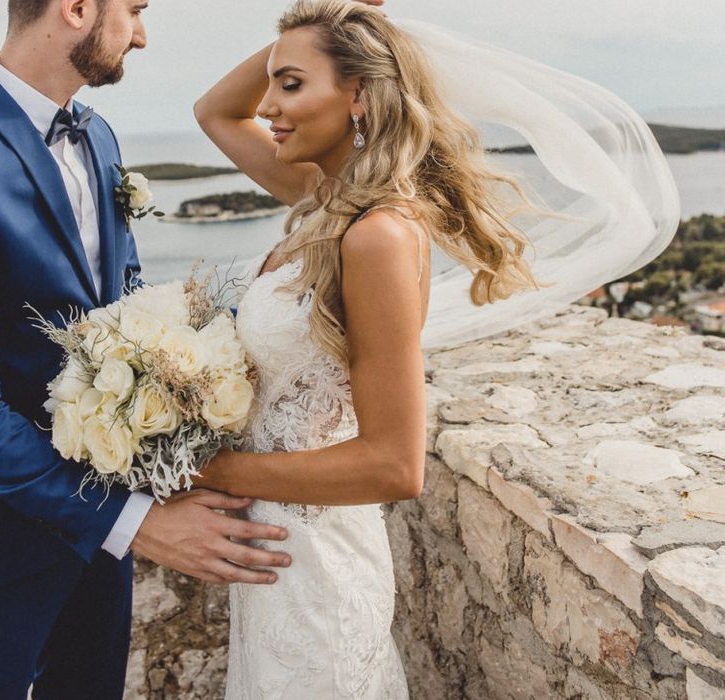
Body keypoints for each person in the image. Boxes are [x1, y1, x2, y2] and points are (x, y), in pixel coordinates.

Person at [193, 0, 544, 696]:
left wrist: (215, 473)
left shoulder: (377, 234)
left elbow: (393, 464)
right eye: (272, 84)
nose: (268, 106)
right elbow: (213, 111)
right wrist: (322, 17)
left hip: (318, 567)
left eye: (290, 84)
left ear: (358, 93)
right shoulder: (324, 201)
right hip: (273, 559)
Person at [0, 1, 291, 698]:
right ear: (77, 8)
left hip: (97, 549)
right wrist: (134, 524)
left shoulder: (100, 137)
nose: (141, 34)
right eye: (135, 10)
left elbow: (124, 304)